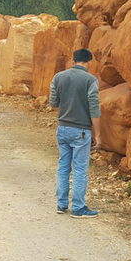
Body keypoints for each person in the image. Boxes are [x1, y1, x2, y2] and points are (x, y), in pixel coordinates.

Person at [49, 48, 101, 218]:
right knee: (79, 169)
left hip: (62, 128)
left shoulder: (58, 77)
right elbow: (94, 107)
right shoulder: (90, 80)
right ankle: (78, 208)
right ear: (89, 62)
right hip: (81, 131)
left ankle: (61, 204)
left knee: (63, 166)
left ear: (73, 61)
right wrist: (98, 134)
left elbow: (53, 102)